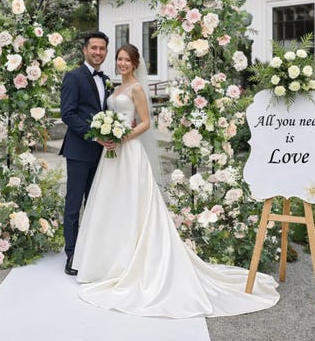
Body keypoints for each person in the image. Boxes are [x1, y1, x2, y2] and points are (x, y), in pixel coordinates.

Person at [72, 43, 280, 318]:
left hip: (129, 151)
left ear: (135, 64)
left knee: (132, 203)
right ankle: (107, 263)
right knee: (112, 205)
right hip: (111, 154)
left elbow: (145, 122)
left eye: (127, 60)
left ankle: (129, 261)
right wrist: (108, 135)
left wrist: (122, 137)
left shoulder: (136, 88)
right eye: (119, 59)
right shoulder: (116, 88)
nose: (122, 63)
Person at [59, 31, 114, 276]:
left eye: (102, 49)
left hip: (102, 154)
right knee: (73, 205)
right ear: (85, 50)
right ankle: (72, 255)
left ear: (106, 52)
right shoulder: (73, 77)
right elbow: (68, 114)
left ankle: (90, 252)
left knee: (95, 203)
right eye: (94, 48)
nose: (98, 52)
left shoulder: (107, 80)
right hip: (79, 151)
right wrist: (94, 135)